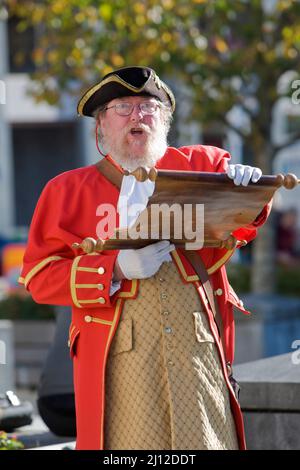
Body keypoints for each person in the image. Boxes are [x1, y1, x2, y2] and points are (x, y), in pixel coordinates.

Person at [19, 66, 271, 451]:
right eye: (123, 107)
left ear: (164, 122)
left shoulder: (202, 167)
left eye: (148, 107)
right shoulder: (66, 191)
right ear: (101, 126)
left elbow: (244, 220)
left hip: (197, 355)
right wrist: (114, 268)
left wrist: (248, 189)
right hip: (119, 363)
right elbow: (39, 277)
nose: (138, 115)